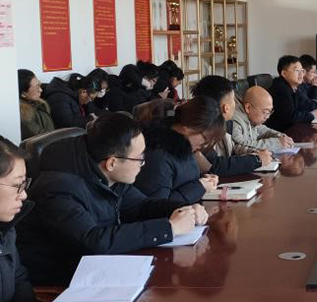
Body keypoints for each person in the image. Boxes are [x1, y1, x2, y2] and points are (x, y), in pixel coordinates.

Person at [16, 113, 206, 286]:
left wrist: (184, 209)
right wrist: (169, 228)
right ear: (112, 163)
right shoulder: (57, 189)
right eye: (139, 158)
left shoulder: (101, 170)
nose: (143, 163)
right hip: (64, 283)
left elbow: (141, 206)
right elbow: (93, 242)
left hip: (100, 270)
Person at [134, 96, 223, 204]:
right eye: (204, 138)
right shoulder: (157, 155)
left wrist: (204, 180)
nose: (205, 145)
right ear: (188, 127)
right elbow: (157, 205)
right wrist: (199, 187)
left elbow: (182, 181)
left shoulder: (184, 148)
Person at [191, 75, 271, 176]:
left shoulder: (227, 123)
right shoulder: (199, 130)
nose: (236, 104)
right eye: (233, 100)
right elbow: (214, 165)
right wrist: (256, 160)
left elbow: (234, 148)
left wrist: (255, 152)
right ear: (226, 108)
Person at [0, 136, 41, 302]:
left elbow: (18, 278)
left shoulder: (6, 228)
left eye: (25, 184)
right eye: (17, 185)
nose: (24, 195)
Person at [266, 55, 317, 132]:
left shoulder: (293, 87)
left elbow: (305, 106)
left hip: (290, 129)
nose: (301, 74)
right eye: (297, 71)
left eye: (302, 70)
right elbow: (291, 117)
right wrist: (313, 115)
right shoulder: (281, 89)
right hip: (279, 132)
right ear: (284, 73)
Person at [232, 86, 295, 153]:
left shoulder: (252, 118)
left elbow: (263, 130)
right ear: (248, 107)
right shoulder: (235, 120)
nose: (267, 117)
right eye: (265, 112)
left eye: (270, 112)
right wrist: (276, 143)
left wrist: (280, 136)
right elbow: (240, 146)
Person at [18, 69, 54, 140]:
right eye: (37, 87)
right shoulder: (23, 114)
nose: (41, 90)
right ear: (23, 94)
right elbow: (41, 137)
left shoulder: (40, 105)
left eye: (40, 85)